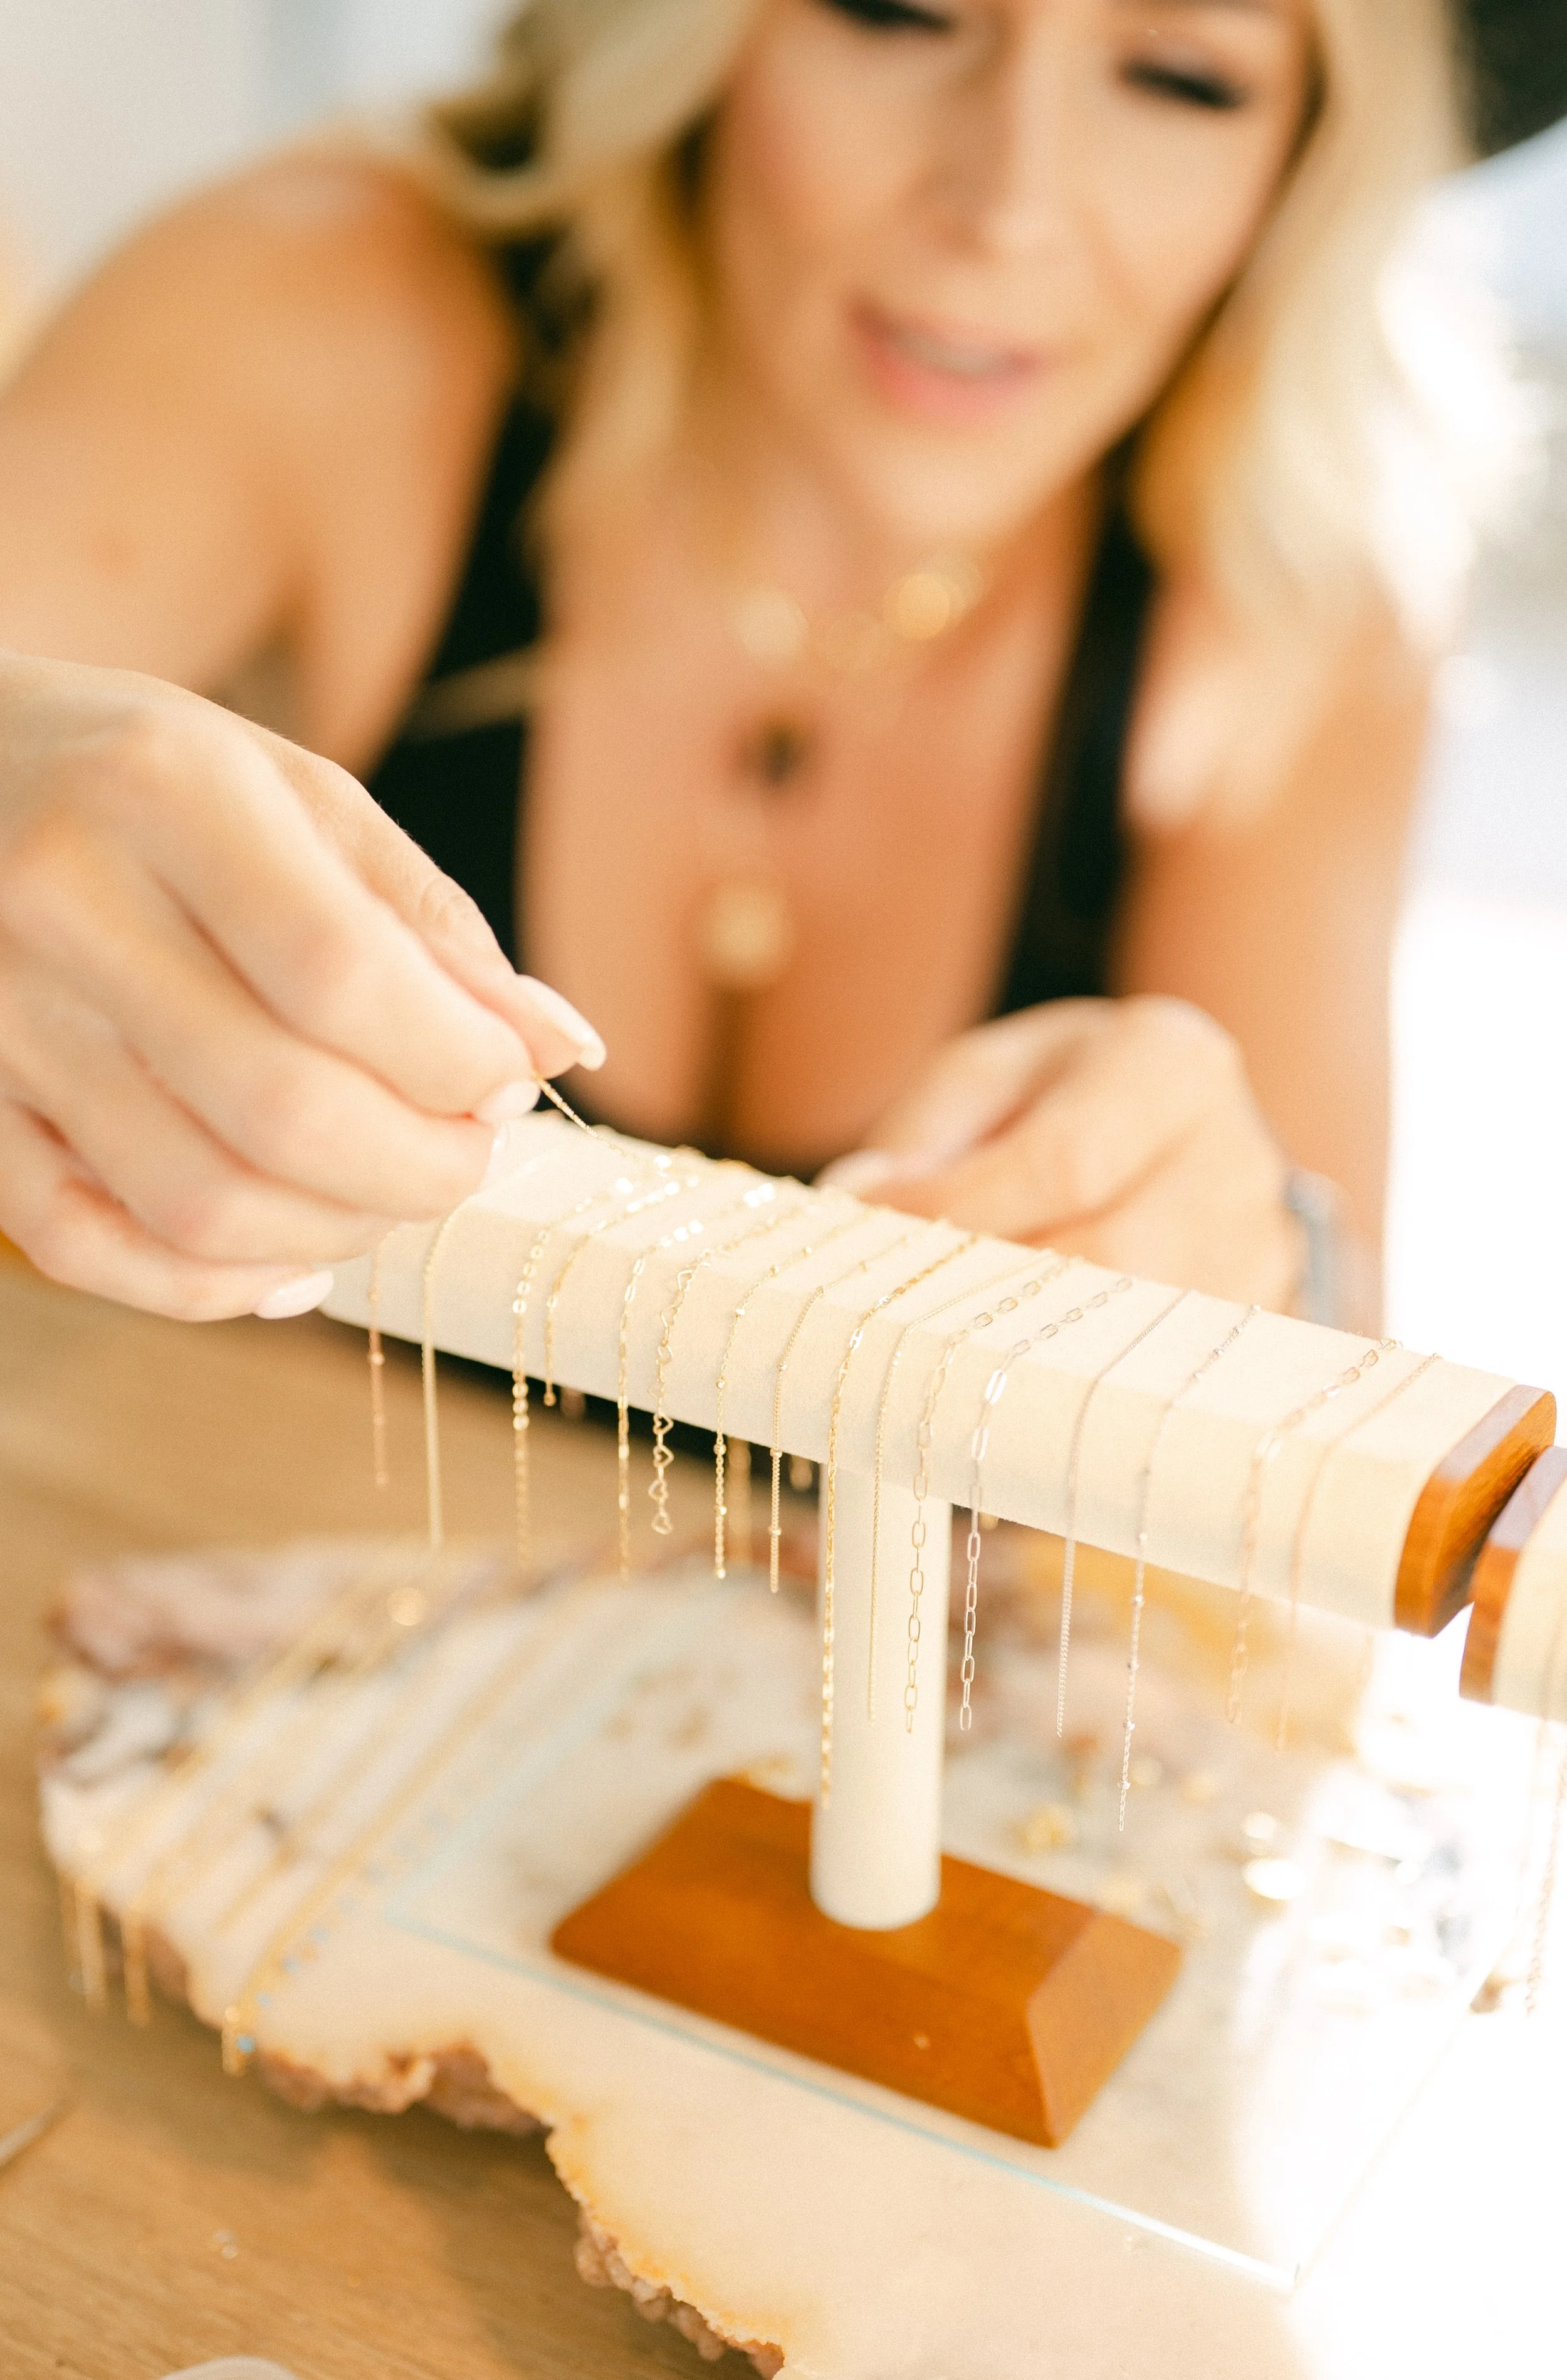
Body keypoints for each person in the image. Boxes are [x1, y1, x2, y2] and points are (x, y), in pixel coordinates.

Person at [0, 0, 1558, 1330]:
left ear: (1299, 161)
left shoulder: (1300, 584)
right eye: (896, 10)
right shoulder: (315, 313)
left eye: (1180, 78)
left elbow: (1310, 1541)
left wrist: (1265, 1264)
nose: (1005, 205)